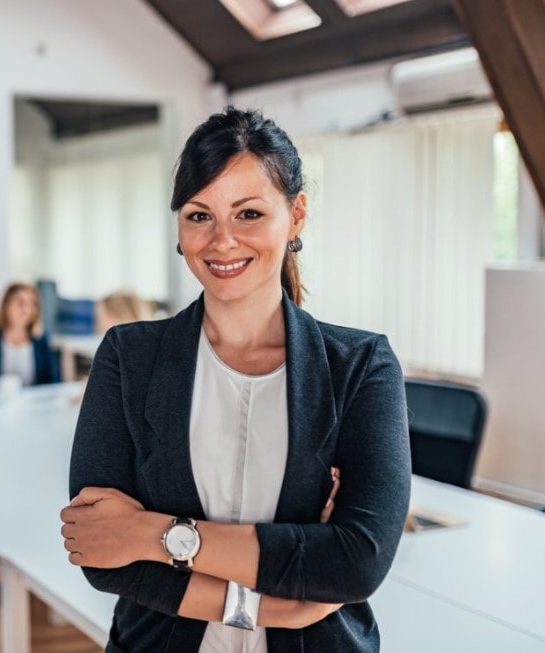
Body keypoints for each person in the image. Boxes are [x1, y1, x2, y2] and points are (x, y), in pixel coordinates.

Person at [60, 107, 411, 653]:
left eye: (248, 213)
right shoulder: (129, 357)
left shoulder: (362, 367)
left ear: (295, 216)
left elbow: (355, 562)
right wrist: (276, 606)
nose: (221, 241)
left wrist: (153, 535)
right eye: (200, 216)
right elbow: (101, 552)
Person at [0, 282, 59, 391]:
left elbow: (53, 384)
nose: (26, 309)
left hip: (33, 405)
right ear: (6, 306)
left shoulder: (41, 342)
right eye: (20, 302)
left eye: (32, 304)